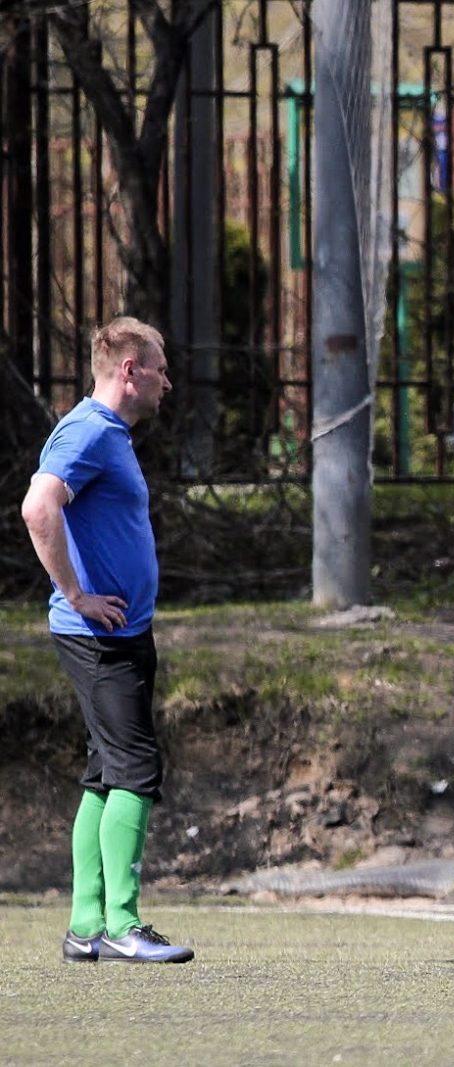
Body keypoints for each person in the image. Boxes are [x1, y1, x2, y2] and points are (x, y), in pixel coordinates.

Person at [19, 316, 194, 964]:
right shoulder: (90, 430)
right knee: (134, 770)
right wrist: (76, 593)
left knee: (104, 774)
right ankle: (123, 922)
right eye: (159, 368)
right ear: (129, 370)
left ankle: (86, 924)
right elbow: (39, 507)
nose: (167, 382)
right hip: (98, 636)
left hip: (120, 633)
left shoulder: (108, 434)